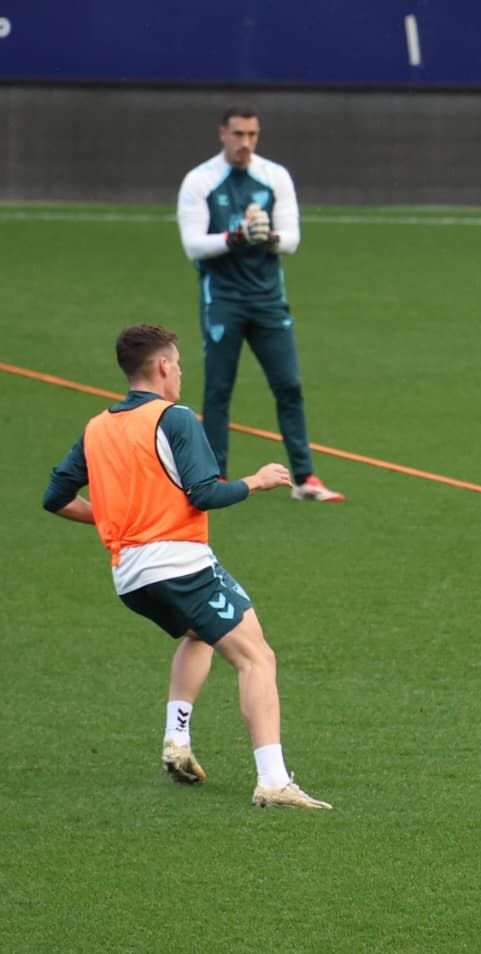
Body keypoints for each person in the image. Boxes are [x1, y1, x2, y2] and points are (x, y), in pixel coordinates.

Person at [42, 324, 333, 809]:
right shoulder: (174, 418)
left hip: (130, 576)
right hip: (178, 563)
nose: (179, 373)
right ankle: (273, 780)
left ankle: (177, 739)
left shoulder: (97, 427)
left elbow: (55, 496)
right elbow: (205, 493)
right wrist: (256, 481)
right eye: (177, 365)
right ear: (161, 366)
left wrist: (118, 519)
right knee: (257, 657)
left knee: (200, 635)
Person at [177, 105, 343, 502]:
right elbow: (193, 245)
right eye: (238, 134)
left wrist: (267, 237)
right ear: (223, 134)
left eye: (252, 135)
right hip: (223, 301)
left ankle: (305, 479)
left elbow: (292, 239)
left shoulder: (274, 176)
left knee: (290, 385)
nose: (245, 143)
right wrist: (235, 237)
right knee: (219, 390)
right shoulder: (200, 181)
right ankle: (215, 479)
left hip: (268, 302)